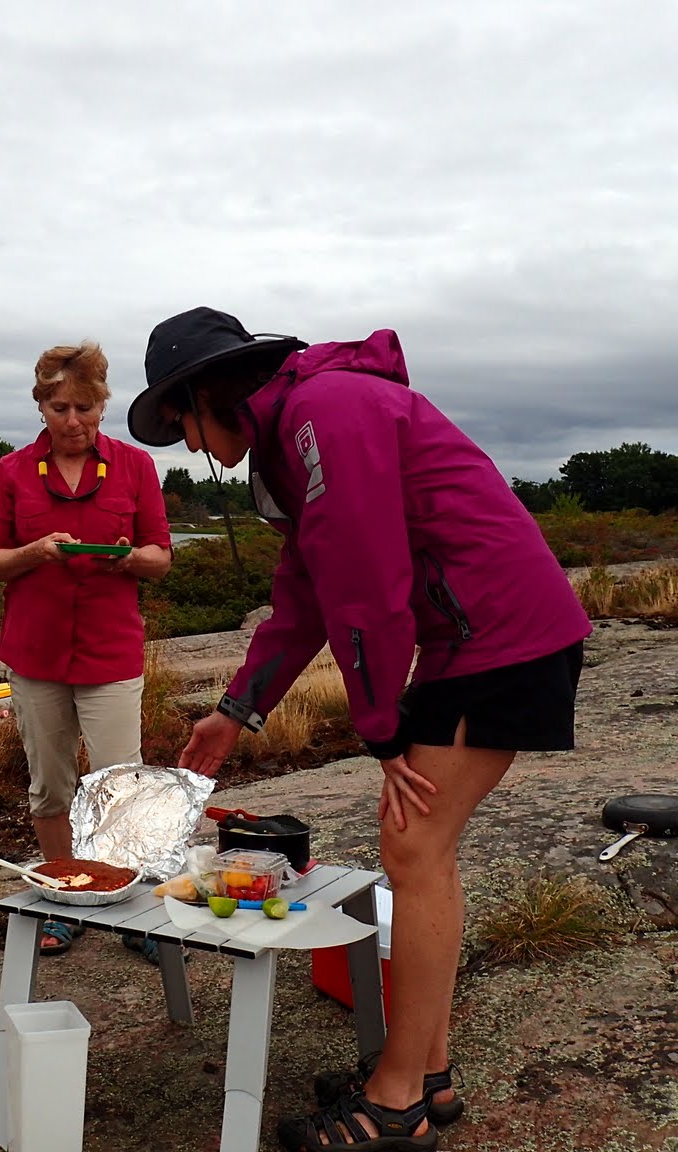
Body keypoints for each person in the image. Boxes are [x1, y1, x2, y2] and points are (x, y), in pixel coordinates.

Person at [128, 308, 592, 1152]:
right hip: (474, 637)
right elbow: (304, 593)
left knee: (414, 850)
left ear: (206, 392)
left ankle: (396, 1103)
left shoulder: (326, 413)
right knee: (419, 849)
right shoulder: (294, 433)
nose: (188, 445)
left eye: (179, 422)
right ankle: (426, 1071)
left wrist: (380, 731)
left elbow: (367, 586)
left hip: (502, 635)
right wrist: (235, 712)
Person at [0, 340, 173, 957]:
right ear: (41, 407)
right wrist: (34, 553)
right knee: (51, 788)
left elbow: (161, 557)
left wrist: (131, 559)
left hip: (110, 655)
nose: (74, 420)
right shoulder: (12, 472)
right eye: (60, 408)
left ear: (103, 405)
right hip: (36, 657)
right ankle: (64, 898)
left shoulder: (136, 467)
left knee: (120, 787)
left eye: (85, 407)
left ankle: (130, 910)